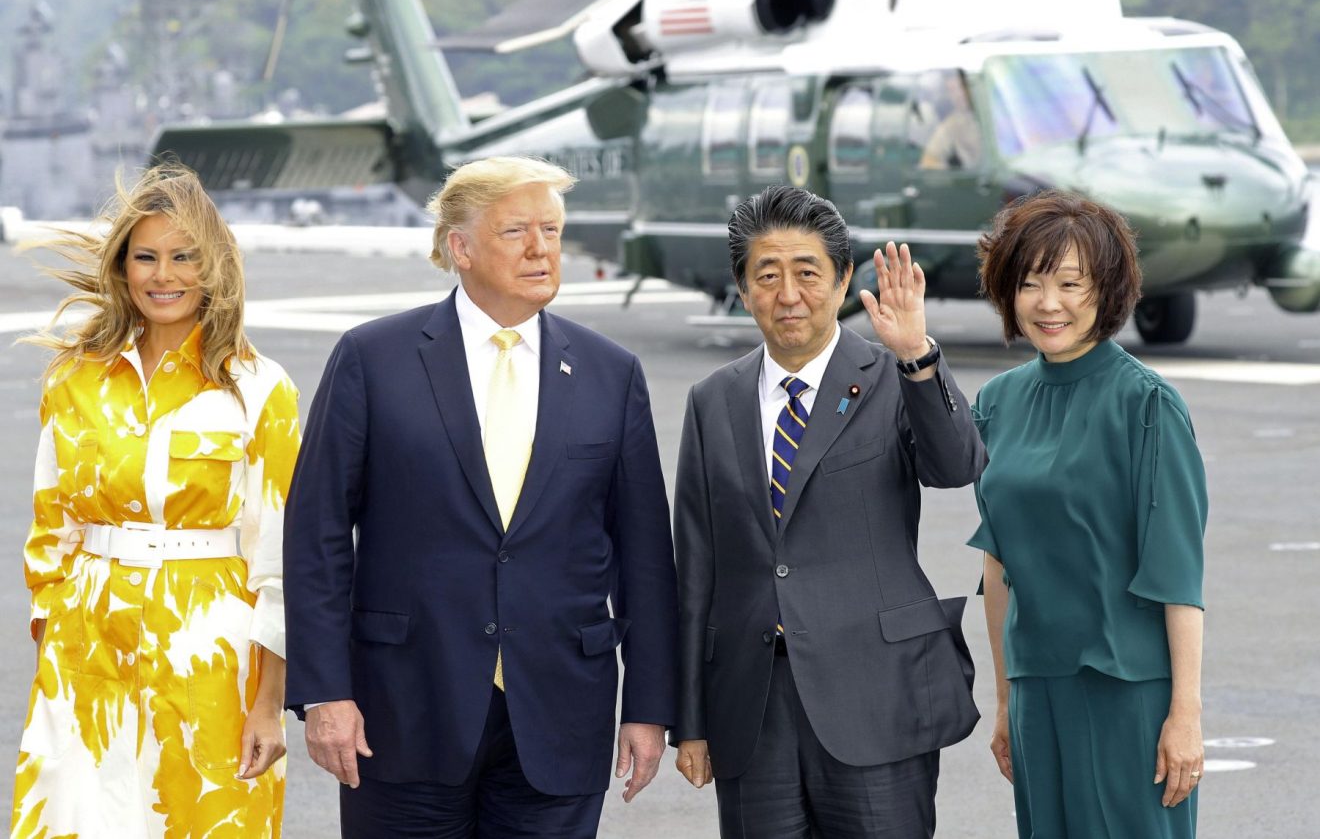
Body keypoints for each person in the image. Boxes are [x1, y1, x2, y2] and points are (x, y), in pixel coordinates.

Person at [283, 156, 679, 837]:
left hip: (560, 713)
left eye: (551, 230)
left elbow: (644, 555)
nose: (541, 249)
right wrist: (325, 691)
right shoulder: (372, 359)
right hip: (403, 714)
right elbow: (316, 535)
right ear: (459, 247)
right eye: (517, 231)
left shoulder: (612, 373)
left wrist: (648, 705)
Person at [671, 185, 985, 838]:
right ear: (742, 285)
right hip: (753, 711)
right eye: (768, 274)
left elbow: (956, 466)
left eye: (807, 272)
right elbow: (695, 569)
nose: (789, 294)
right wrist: (691, 719)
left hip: (875, 695)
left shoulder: (890, 376)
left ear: (843, 279)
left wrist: (918, 357)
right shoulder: (712, 400)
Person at [12, 164, 299, 838]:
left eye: (182, 255)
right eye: (145, 256)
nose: (162, 274)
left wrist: (269, 703)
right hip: (86, 659)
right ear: (123, 267)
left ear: (214, 264)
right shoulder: (74, 378)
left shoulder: (259, 388)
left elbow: (283, 559)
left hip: (211, 665)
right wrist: (53, 657)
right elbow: (50, 532)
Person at [970, 191, 1207, 838]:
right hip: (1035, 689)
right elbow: (997, 566)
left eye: (1071, 283)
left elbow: (1178, 576)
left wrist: (1185, 711)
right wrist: (1003, 698)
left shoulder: (1148, 405)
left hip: (1128, 690)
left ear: (1108, 290)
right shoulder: (997, 402)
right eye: (1031, 283)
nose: (1050, 303)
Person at [919, 72, 982, 170]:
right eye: (952, 90)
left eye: (961, 88)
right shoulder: (951, 125)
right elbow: (928, 163)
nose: (958, 95)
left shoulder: (994, 112)